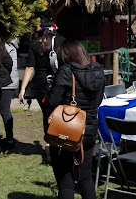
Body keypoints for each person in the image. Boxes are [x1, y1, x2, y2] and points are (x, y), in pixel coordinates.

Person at [44, 40, 105, 199]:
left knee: (65, 180)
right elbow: (98, 101)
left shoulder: (65, 71)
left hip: (67, 130)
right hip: (89, 129)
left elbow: (51, 102)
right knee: (85, 178)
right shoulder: (98, 71)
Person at [0, 39, 19, 151]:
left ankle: (9, 139)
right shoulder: (10, 46)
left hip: (7, 83)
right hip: (7, 82)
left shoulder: (7, 47)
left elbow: (8, 65)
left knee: (4, 110)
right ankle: (9, 138)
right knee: (4, 110)